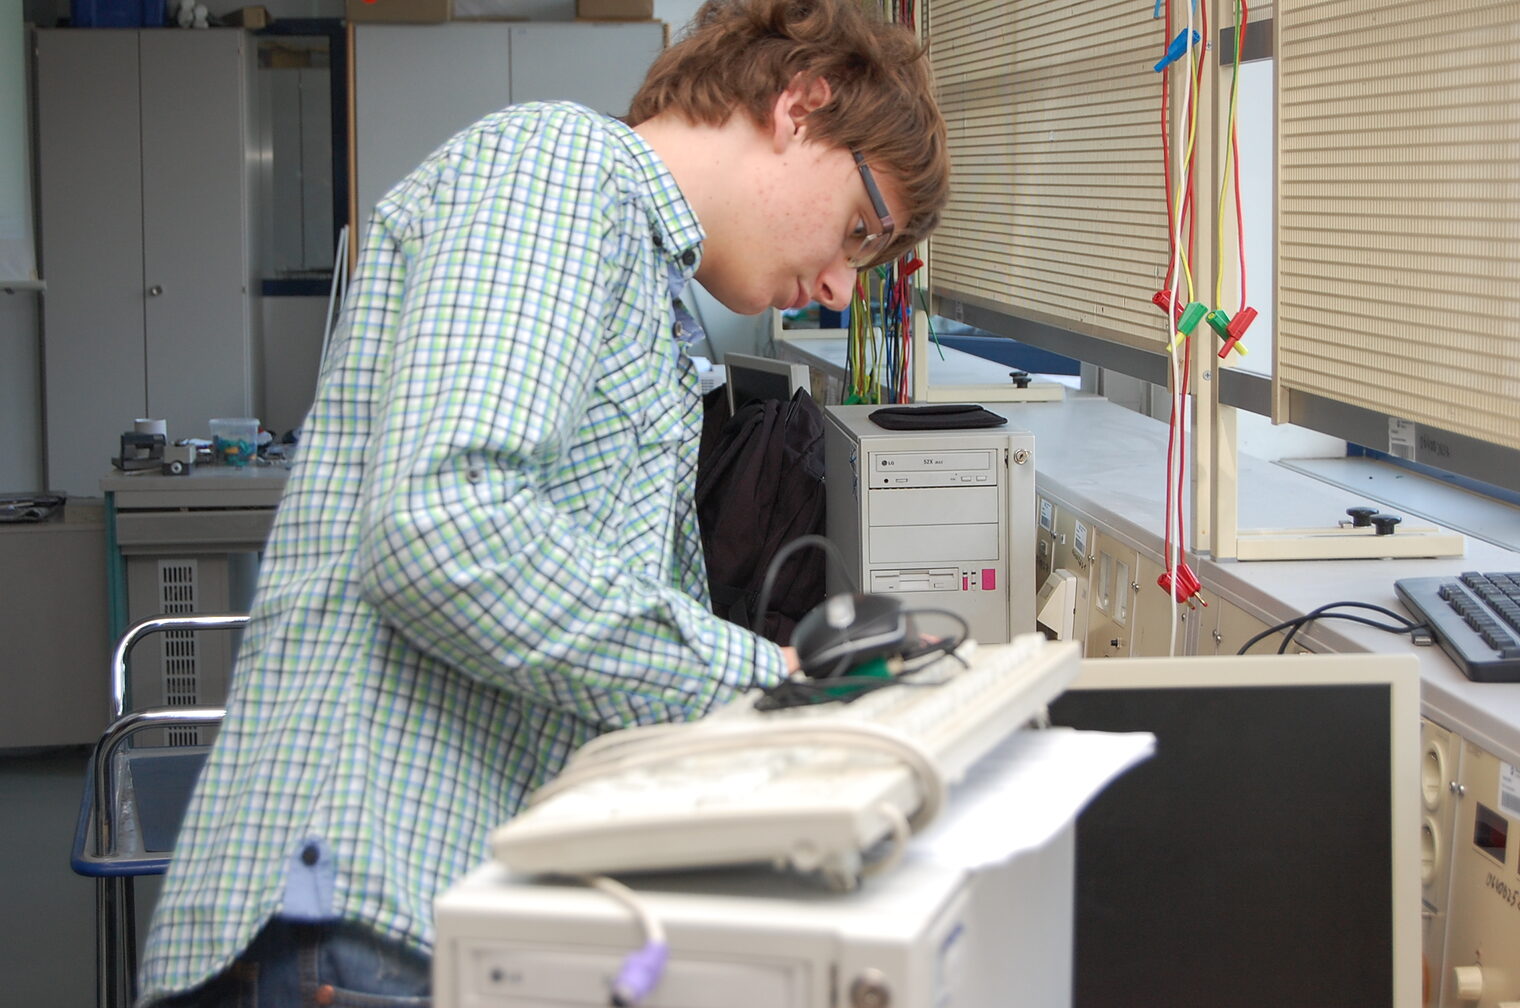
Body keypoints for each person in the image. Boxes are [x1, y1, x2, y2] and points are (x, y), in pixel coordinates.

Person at [139, 0, 949, 1003]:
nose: (836, 284)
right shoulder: (557, 170)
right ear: (800, 105)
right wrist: (762, 677)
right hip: (359, 913)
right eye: (858, 228)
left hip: (435, 923)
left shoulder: (652, 301)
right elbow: (445, 531)